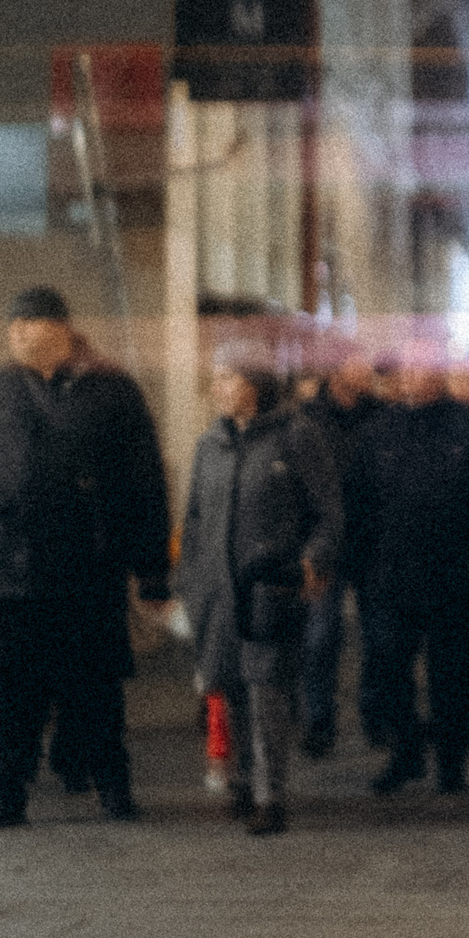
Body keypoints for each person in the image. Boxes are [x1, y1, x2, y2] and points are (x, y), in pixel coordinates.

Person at [0, 287, 176, 829]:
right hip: (10, 567)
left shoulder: (112, 390)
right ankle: (4, 795)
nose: (17, 332)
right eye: (13, 325)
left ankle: (113, 785)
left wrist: (152, 571)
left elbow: (144, 482)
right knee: (8, 691)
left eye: (29, 322)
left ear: (62, 329)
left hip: (88, 567)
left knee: (95, 684)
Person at [175, 346, 344, 835]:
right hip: (216, 591)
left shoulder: (296, 436)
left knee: (267, 690)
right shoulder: (210, 443)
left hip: (270, 586)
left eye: (227, 378)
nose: (217, 388)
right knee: (229, 686)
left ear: (255, 385)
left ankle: (271, 796)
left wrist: (314, 561)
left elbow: (327, 512)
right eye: (215, 378)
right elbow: (195, 519)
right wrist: (188, 582)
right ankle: (244, 783)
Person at [343, 351, 469, 795]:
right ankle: (406, 749)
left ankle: (451, 761)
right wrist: (356, 563)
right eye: (408, 369)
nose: (415, 376)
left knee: (452, 673)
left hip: (456, 569)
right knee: (386, 667)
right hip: (392, 570)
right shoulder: (378, 430)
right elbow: (358, 501)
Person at [297, 348, 383, 758]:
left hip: (373, 541)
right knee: (320, 636)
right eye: (357, 364)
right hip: (325, 541)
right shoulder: (308, 418)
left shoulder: (382, 416)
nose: (365, 371)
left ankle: (376, 716)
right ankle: (318, 721)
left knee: (377, 637)